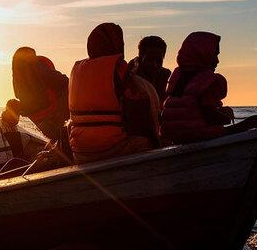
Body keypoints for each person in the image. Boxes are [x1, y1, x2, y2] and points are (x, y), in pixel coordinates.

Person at [67, 22, 154, 164]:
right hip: (112, 148)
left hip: (79, 151)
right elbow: (139, 109)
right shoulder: (118, 69)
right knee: (146, 143)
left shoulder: (76, 71)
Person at [161, 32, 257, 145]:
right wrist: (228, 118)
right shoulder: (207, 81)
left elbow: (187, 109)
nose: (217, 61)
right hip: (199, 135)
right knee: (249, 124)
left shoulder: (178, 78)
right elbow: (210, 117)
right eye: (215, 55)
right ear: (202, 54)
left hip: (175, 136)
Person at [11, 47, 69, 142]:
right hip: (54, 113)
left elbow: (18, 96)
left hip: (38, 120)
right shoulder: (37, 65)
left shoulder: (17, 79)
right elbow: (62, 81)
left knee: (59, 139)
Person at [128, 36, 172, 104]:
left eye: (158, 61)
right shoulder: (127, 79)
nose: (154, 65)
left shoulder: (167, 80)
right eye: (150, 60)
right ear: (140, 58)